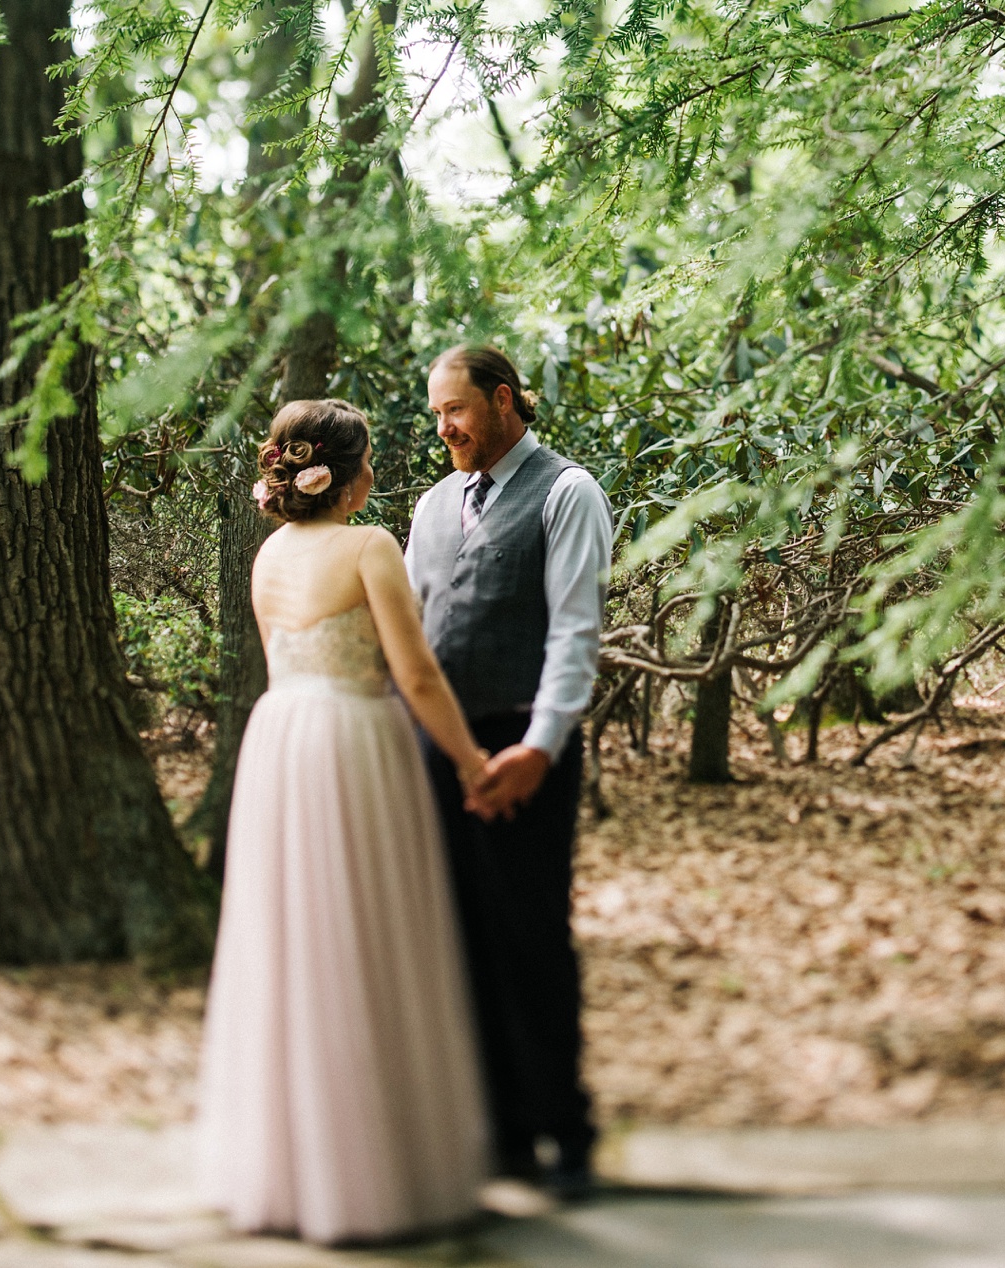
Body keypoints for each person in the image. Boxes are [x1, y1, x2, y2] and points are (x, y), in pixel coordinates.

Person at [197, 398, 496, 1244]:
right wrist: (474, 765)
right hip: (353, 742)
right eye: (366, 461)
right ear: (340, 472)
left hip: (282, 739)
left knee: (289, 948)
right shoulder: (370, 546)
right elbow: (419, 677)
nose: (374, 476)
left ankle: (288, 1170)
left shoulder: (267, 557)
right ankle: (370, 1170)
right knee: (362, 944)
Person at [407, 346, 614, 1199]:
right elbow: (418, 628)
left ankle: (564, 1127)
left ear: (501, 401)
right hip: (441, 750)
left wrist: (540, 744)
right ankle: (500, 1129)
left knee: (529, 934)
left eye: (456, 411)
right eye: (436, 417)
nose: (446, 430)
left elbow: (575, 630)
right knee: (458, 938)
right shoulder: (431, 506)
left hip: (525, 746)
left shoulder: (569, 494)